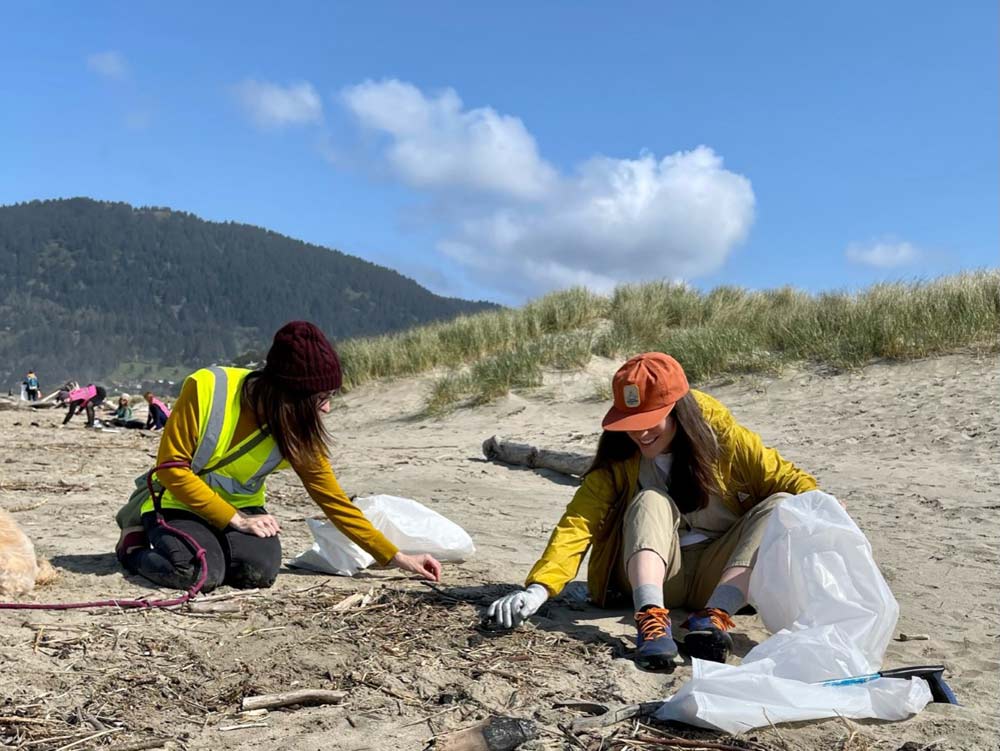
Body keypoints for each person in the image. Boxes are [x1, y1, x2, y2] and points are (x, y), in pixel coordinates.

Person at [486, 352, 819, 671]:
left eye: (649, 421)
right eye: (630, 422)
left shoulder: (727, 439)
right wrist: (538, 588)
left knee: (781, 505)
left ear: (677, 410)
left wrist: (825, 510)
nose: (639, 433)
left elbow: (795, 482)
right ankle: (651, 621)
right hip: (654, 576)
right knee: (650, 500)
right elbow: (580, 521)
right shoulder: (619, 454)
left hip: (718, 577)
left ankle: (714, 617)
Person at [115, 320, 443, 593]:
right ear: (290, 395)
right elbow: (171, 469)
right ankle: (134, 546)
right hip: (179, 503)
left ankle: (209, 543)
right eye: (321, 397)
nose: (327, 407)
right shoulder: (207, 387)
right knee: (197, 573)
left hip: (242, 512)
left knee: (257, 574)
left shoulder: (297, 429)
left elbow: (335, 501)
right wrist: (236, 520)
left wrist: (397, 557)